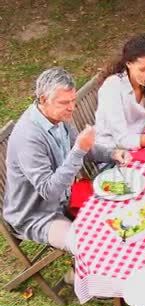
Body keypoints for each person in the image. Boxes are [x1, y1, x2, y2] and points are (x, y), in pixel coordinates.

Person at [3, 67, 131, 254]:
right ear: (43, 100)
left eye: (73, 100)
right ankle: (81, 279)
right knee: (88, 246)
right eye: (64, 102)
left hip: (65, 199)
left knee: (122, 214)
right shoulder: (28, 138)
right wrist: (79, 150)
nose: (71, 107)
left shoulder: (58, 116)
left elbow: (82, 148)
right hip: (36, 215)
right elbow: (50, 191)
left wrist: (111, 154)